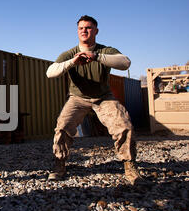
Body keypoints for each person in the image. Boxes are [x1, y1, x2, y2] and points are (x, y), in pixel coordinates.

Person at [46, 15, 146, 186]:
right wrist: (73, 62)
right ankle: (59, 165)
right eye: (81, 28)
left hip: (103, 98)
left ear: (96, 31)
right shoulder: (69, 53)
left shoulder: (105, 50)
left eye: (88, 28)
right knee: (62, 126)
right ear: (77, 31)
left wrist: (96, 56)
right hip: (77, 98)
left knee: (123, 125)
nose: (84, 31)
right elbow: (50, 72)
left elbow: (125, 62)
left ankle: (130, 166)